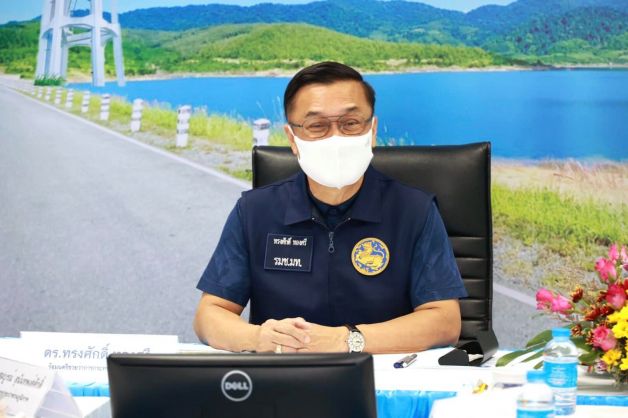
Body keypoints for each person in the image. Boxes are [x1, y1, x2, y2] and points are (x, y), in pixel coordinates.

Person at [194, 61, 468, 354]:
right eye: (317, 126)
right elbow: (209, 315)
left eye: (350, 123)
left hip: (382, 373)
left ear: (372, 131)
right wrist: (259, 338)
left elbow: (444, 322)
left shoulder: (414, 210)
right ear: (292, 139)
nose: (336, 138)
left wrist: (344, 340)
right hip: (283, 372)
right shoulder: (254, 212)